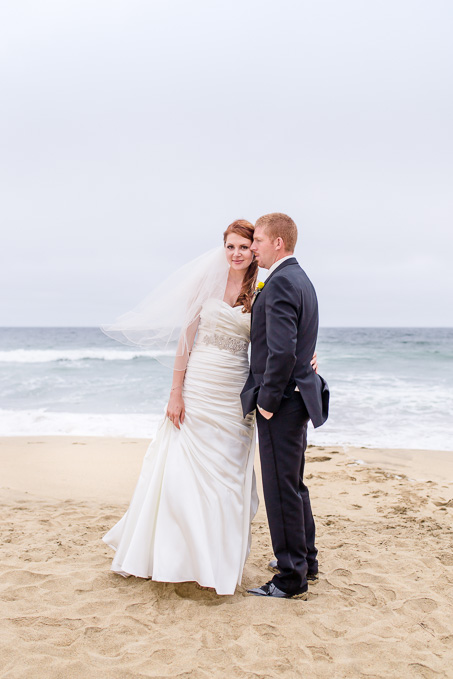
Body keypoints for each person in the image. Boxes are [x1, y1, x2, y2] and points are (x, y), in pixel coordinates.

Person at [102, 220, 259, 595]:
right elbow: (185, 342)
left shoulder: (262, 288)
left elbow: (281, 335)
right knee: (180, 471)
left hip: (234, 391)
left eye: (243, 247)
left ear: (255, 249)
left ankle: (215, 561)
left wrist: (309, 355)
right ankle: (173, 557)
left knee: (227, 478)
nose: (236, 253)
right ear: (223, 248)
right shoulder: (206, 285)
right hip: (200, 384)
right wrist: (176, 391)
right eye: (230, 246)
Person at [241, 213, 329, 600]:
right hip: (300, 396)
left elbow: (280, 351)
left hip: (284, 401)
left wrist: (268, 402)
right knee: (293, 485)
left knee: (280, 489)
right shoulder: (300, 279)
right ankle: (305, 560)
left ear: (278, 243)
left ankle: (290, 578)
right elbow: (297, 343)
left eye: (258, 240)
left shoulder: (278, 284)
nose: (253, 246)